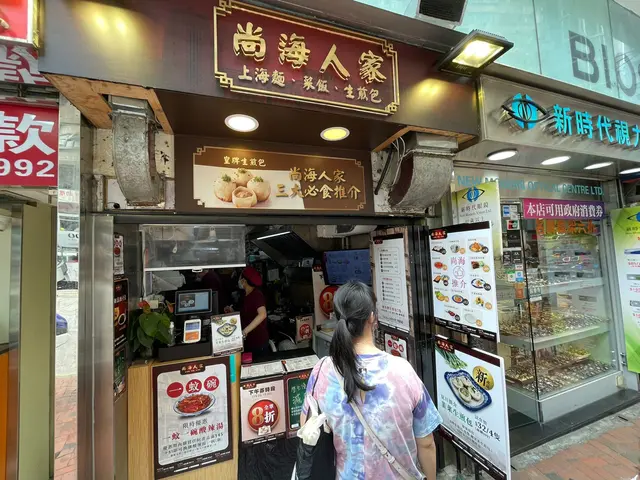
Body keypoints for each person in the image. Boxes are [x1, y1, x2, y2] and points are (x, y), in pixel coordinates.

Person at [300, 281, 441, 479]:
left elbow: (308, 426)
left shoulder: (322, 370)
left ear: (338, 317)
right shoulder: (403, 371)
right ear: (372, 318)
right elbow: (426, 443)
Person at [226, 267, 269, 355]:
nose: (239, 280)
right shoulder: (245, 295)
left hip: (258, 341)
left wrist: (244, 332)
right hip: (249, 341)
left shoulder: (256, 295)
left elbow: (262, 314)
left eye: (240, 277)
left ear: (244, 281)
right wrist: (233, 312)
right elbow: (247, 314)